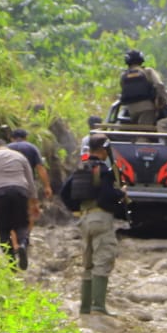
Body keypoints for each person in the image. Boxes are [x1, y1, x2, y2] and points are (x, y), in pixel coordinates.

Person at [58, 133, 128, 314]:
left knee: (87, 263)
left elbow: (64, 193)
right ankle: (98, 306)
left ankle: (85, 307)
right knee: (103, 260)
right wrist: (121, 194)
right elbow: (106, 197)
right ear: (103, 150)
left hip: (84, 218)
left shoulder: (81, 168)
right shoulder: (103, 171)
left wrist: (77, 209)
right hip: (101, 218)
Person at [0, 138, 38, 269]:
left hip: (0, 193)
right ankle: (22, 244)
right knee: (21, 224)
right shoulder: (20, 156)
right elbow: (30, 179)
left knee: (3, 229)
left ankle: (11, 263)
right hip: (20, 192)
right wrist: (34, 201)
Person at [118, 49, 167, 126]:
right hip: (147, 109)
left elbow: (124, 90)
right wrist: (163, 101)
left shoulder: (123, 75)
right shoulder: (147, 71)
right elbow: (159, 85)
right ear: (141, 60)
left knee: (139, 130)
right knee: (144, 134)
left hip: (131, 110)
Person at [8, 128, 52, 199]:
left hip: (8, 184)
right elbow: (40, 168)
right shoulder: (32, 148)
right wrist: (47, 186)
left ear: (12, 138)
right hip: (27, 184)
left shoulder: (6, 148)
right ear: (26, 137)